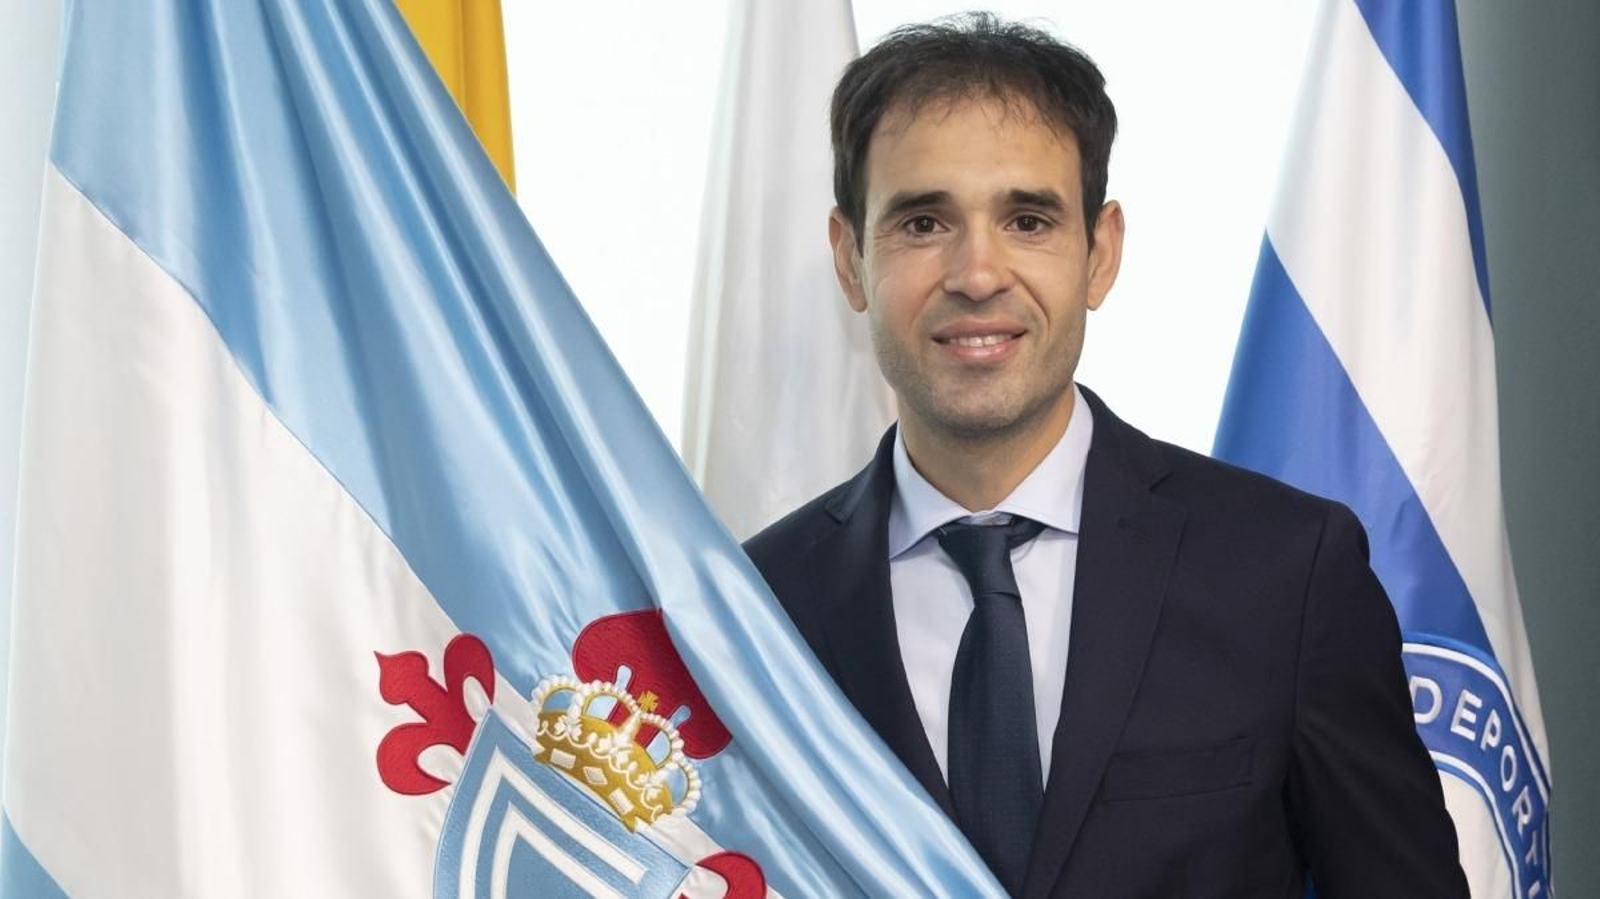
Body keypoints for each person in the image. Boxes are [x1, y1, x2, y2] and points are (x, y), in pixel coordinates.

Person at [743, 14, 1468, 899]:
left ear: (1101, 252)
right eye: (925, 221)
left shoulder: (1287, 572)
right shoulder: (756, 609)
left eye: (1028, 219)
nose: (978, 273)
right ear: (851, 259)